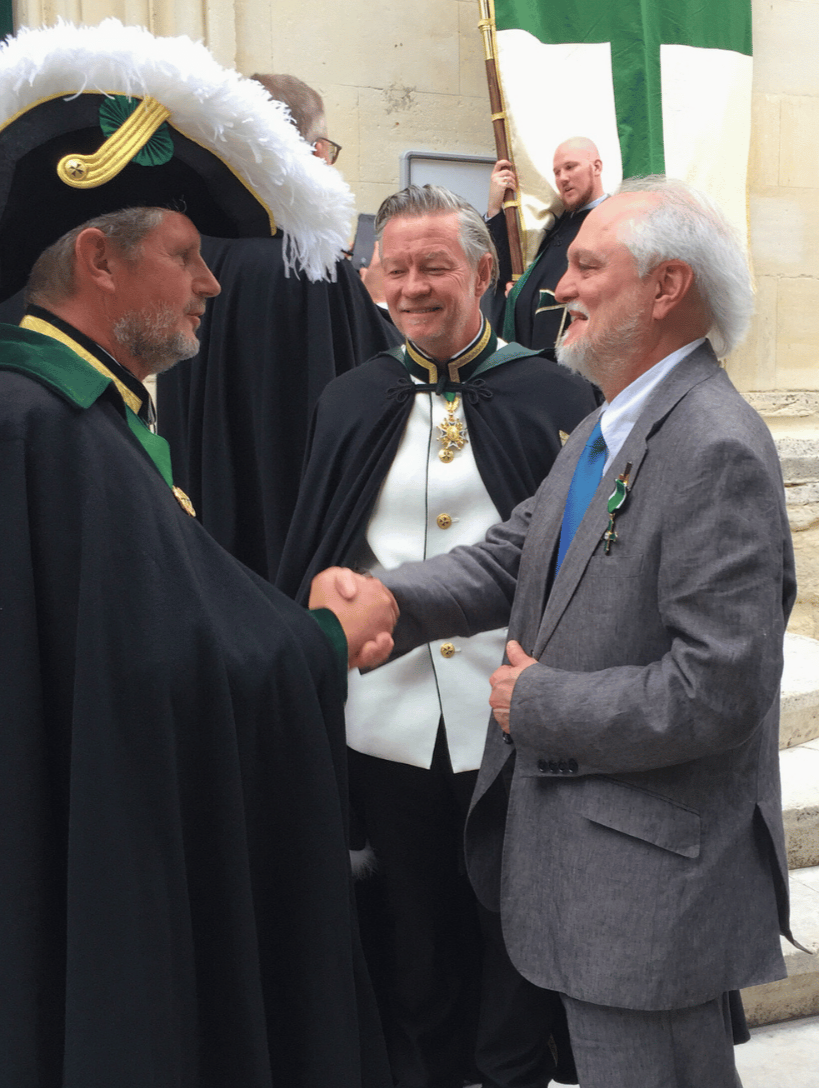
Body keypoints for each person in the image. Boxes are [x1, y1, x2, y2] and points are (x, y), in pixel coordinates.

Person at [0, 24, 398, 1087]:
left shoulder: (60, 412)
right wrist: (321, 638)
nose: (210, 285)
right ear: (97, 257)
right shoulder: (26, 427)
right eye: (183, 255)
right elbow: (157, 670)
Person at [317, 176, 800, 1088]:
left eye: (585, 265)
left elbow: (719, 688)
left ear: (664, 288)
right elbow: (512, 556)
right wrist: (389, 601)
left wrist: (536, 701)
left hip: (649, 891)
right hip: (594, 875)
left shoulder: (714, 447)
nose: (558, 287)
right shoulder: (604, 427)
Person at [277, 184, 597, 1088]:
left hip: (509, 712)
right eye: (396, 268)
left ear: (485, 273)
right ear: (372, 277)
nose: (412, 286)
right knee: (408, 931)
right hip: (383, 719)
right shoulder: (347, 399)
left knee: (512, 922)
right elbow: (316, 542)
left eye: (435, 266)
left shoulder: (555, 396)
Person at [157, 72, 399, 583]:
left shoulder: (188, 253)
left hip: (205, 534)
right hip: (298, 545)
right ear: (308, 151)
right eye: (325, 148)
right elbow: (380, 380)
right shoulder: (309, 263)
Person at [487, 138, 607, 352]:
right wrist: (495, 210)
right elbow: (507, 271)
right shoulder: (559, 221)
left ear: (596, 167)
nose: (563, 178)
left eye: (570, 167)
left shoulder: (611, 221)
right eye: (557, 172)